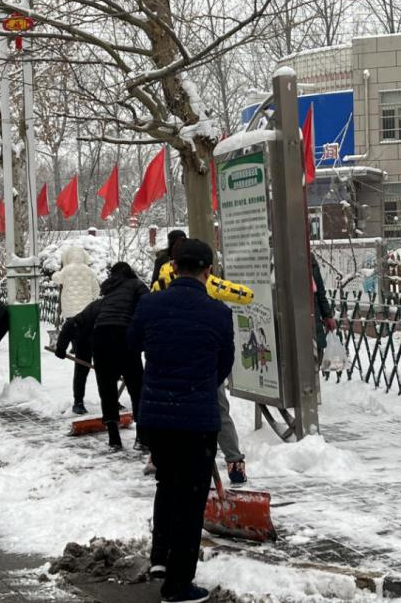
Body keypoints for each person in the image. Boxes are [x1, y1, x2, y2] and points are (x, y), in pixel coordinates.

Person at [128, 239, 234, 603]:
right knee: (190, 499)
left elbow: (132, 345)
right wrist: (198, 384)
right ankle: (177, 586)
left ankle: (161, 557)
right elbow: (224, 365)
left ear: (173, 267)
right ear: (208, 271)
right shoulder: (218, 313)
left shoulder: (150, 304)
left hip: (156, 418)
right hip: (197, 420)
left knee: (166, 484)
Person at [151, 237, 251, 484]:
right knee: (219, 411)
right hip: (203, 361)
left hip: (170, 362)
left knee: (167, 411)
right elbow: (241, 294)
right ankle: (234, 461)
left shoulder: (161, 283)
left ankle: (159, 459)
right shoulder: (208, 282)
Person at [93, 262, 148, 449]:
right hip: (124, 336)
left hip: (100, 337)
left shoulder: (108, 290)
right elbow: (147, 307)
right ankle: (142, 438)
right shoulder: (136, 284)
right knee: (136, 388)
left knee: (107, 389)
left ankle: (114, 439)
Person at [54, 298, 102, 414]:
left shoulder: (117, 307)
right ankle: (78, 402)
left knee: (105, 372)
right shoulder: (98, 308)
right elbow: (70, 325)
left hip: (101, 340)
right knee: (82, 370)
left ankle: (111, 400)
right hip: (84, 338)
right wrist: (61, 347)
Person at [51, 245, 99, 321]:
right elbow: (96, 289)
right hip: (86, 308)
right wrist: (92, 299)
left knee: (72, 325)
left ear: (69, 257)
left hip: (70, 308)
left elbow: (56, 279)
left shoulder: (66, 269)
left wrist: (56, 273)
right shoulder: (88, 270)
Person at [312, 252, 336, 370]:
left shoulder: (311, 261)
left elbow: (320, 293)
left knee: (315, 363)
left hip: (314, 320)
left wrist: (327, 316)